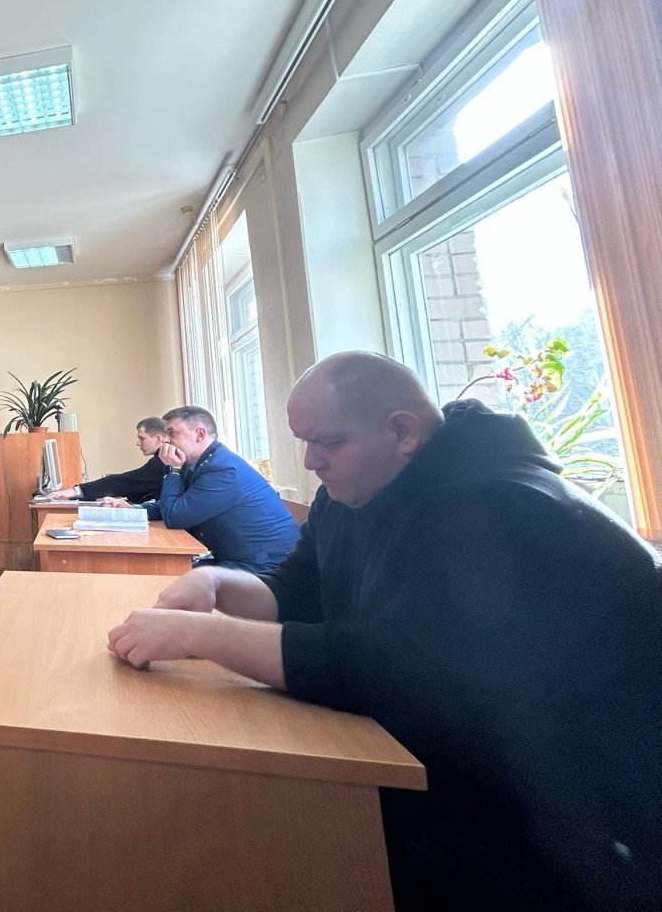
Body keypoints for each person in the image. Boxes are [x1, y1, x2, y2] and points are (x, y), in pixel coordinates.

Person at [106, 352, 662, 911]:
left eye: (327, 442)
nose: (311, 461)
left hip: (577, 831)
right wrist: (216, 585)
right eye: (305, 442)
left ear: (402, 431)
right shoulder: (355, 489)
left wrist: (202, 636)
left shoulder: (504, 505)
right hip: (471, 773)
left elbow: (395, 670)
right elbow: (297, 592)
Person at [98, 405, 297, 571]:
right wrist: (134, 509)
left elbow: (175, 516)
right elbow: (180, 504)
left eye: (171, 433)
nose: (165, 440)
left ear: (199, 434)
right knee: (157, 572)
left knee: (165, 578)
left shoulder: (222, 470)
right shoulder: (200, 463)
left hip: (265, 567)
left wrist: (173, 470)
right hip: (238, 559)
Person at [40, 416, 170, 503]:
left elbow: (126, 482)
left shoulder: (162, 462)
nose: (138, 443)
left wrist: (75, 491)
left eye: (142, 438)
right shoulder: (162, 460)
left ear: (158, 439)